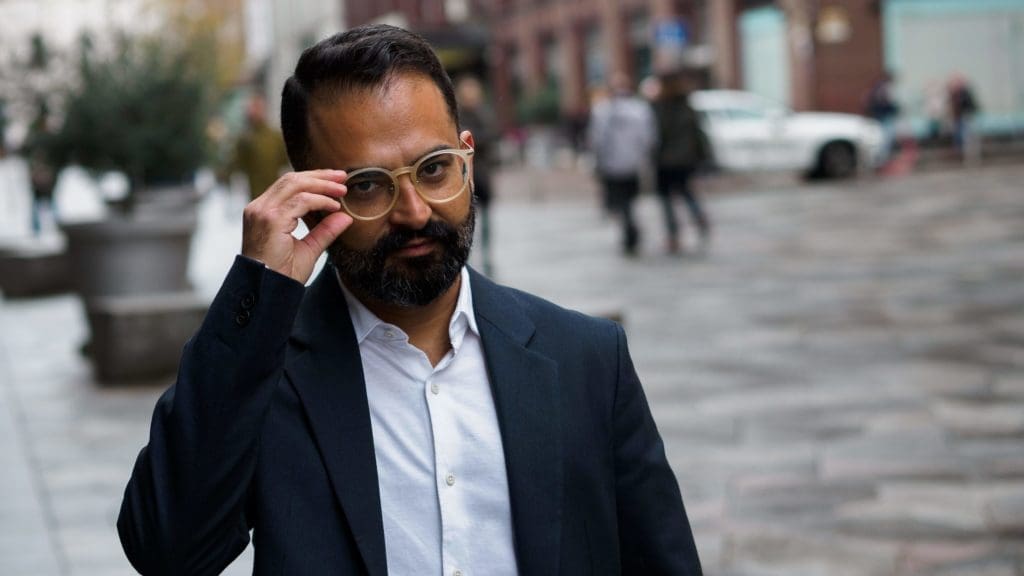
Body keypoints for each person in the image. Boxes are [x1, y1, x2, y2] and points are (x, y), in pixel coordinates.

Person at [117, 25, 702, 575]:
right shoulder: (264, 372)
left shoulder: (587, 360)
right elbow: (169, 551)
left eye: (435, 168)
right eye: (368, 184)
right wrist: (255, 292)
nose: (415, 212)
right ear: (310, 193)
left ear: (467, 156)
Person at [588, 73, 656, 256]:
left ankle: (629, 230)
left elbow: (596, 139)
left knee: (620, 201)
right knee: (629, 200)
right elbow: (648, 138)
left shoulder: (602, 110)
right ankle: (630, 227)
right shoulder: (639, 109)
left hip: (613, 164)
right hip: (631, 164)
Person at [653, 71, 712, 255]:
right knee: (686, 191)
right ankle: (698, 216)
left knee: (666, 199)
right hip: (686, 159)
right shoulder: (687, 105)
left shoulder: (659, 107)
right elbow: (698, 134)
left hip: (664, 160)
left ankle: (673, 234)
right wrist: (702, 156)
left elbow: (656, 134)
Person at [454, 75, 497, 276]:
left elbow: (491, 137)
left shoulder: (483, 113)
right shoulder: (458, 115)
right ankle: (465, 255)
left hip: (482, 174)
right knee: (465, 216)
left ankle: (487, 254)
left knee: (487, 217)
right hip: (464, 174)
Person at [224, 92, 290, 200]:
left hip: (276, 193)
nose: (255, 111)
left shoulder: (275, 137)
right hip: (256, 196)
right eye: (252, 108)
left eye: (258, 107)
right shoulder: (245, 139)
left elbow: (285, 163)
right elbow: (236, 166)